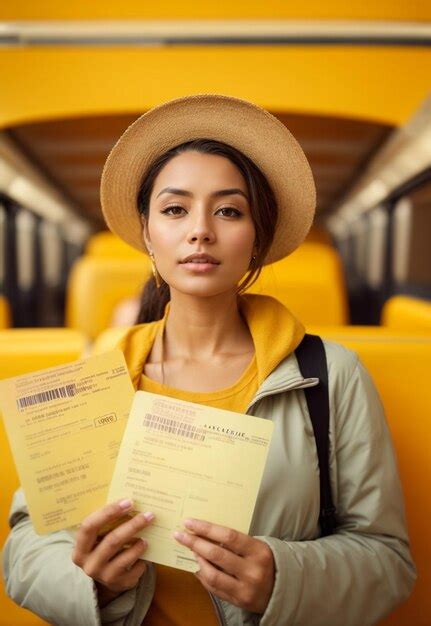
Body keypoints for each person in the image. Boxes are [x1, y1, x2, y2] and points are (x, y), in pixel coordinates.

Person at [2, 94, 416, 626]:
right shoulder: (95, 374)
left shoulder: (331, 375)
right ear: (148, 234)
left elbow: (387, 559)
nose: (201, 230)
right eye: (175, 209)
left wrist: (282, 577)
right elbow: (26, 548)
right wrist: (91, 585)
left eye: (228, 210)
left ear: (256, 239)